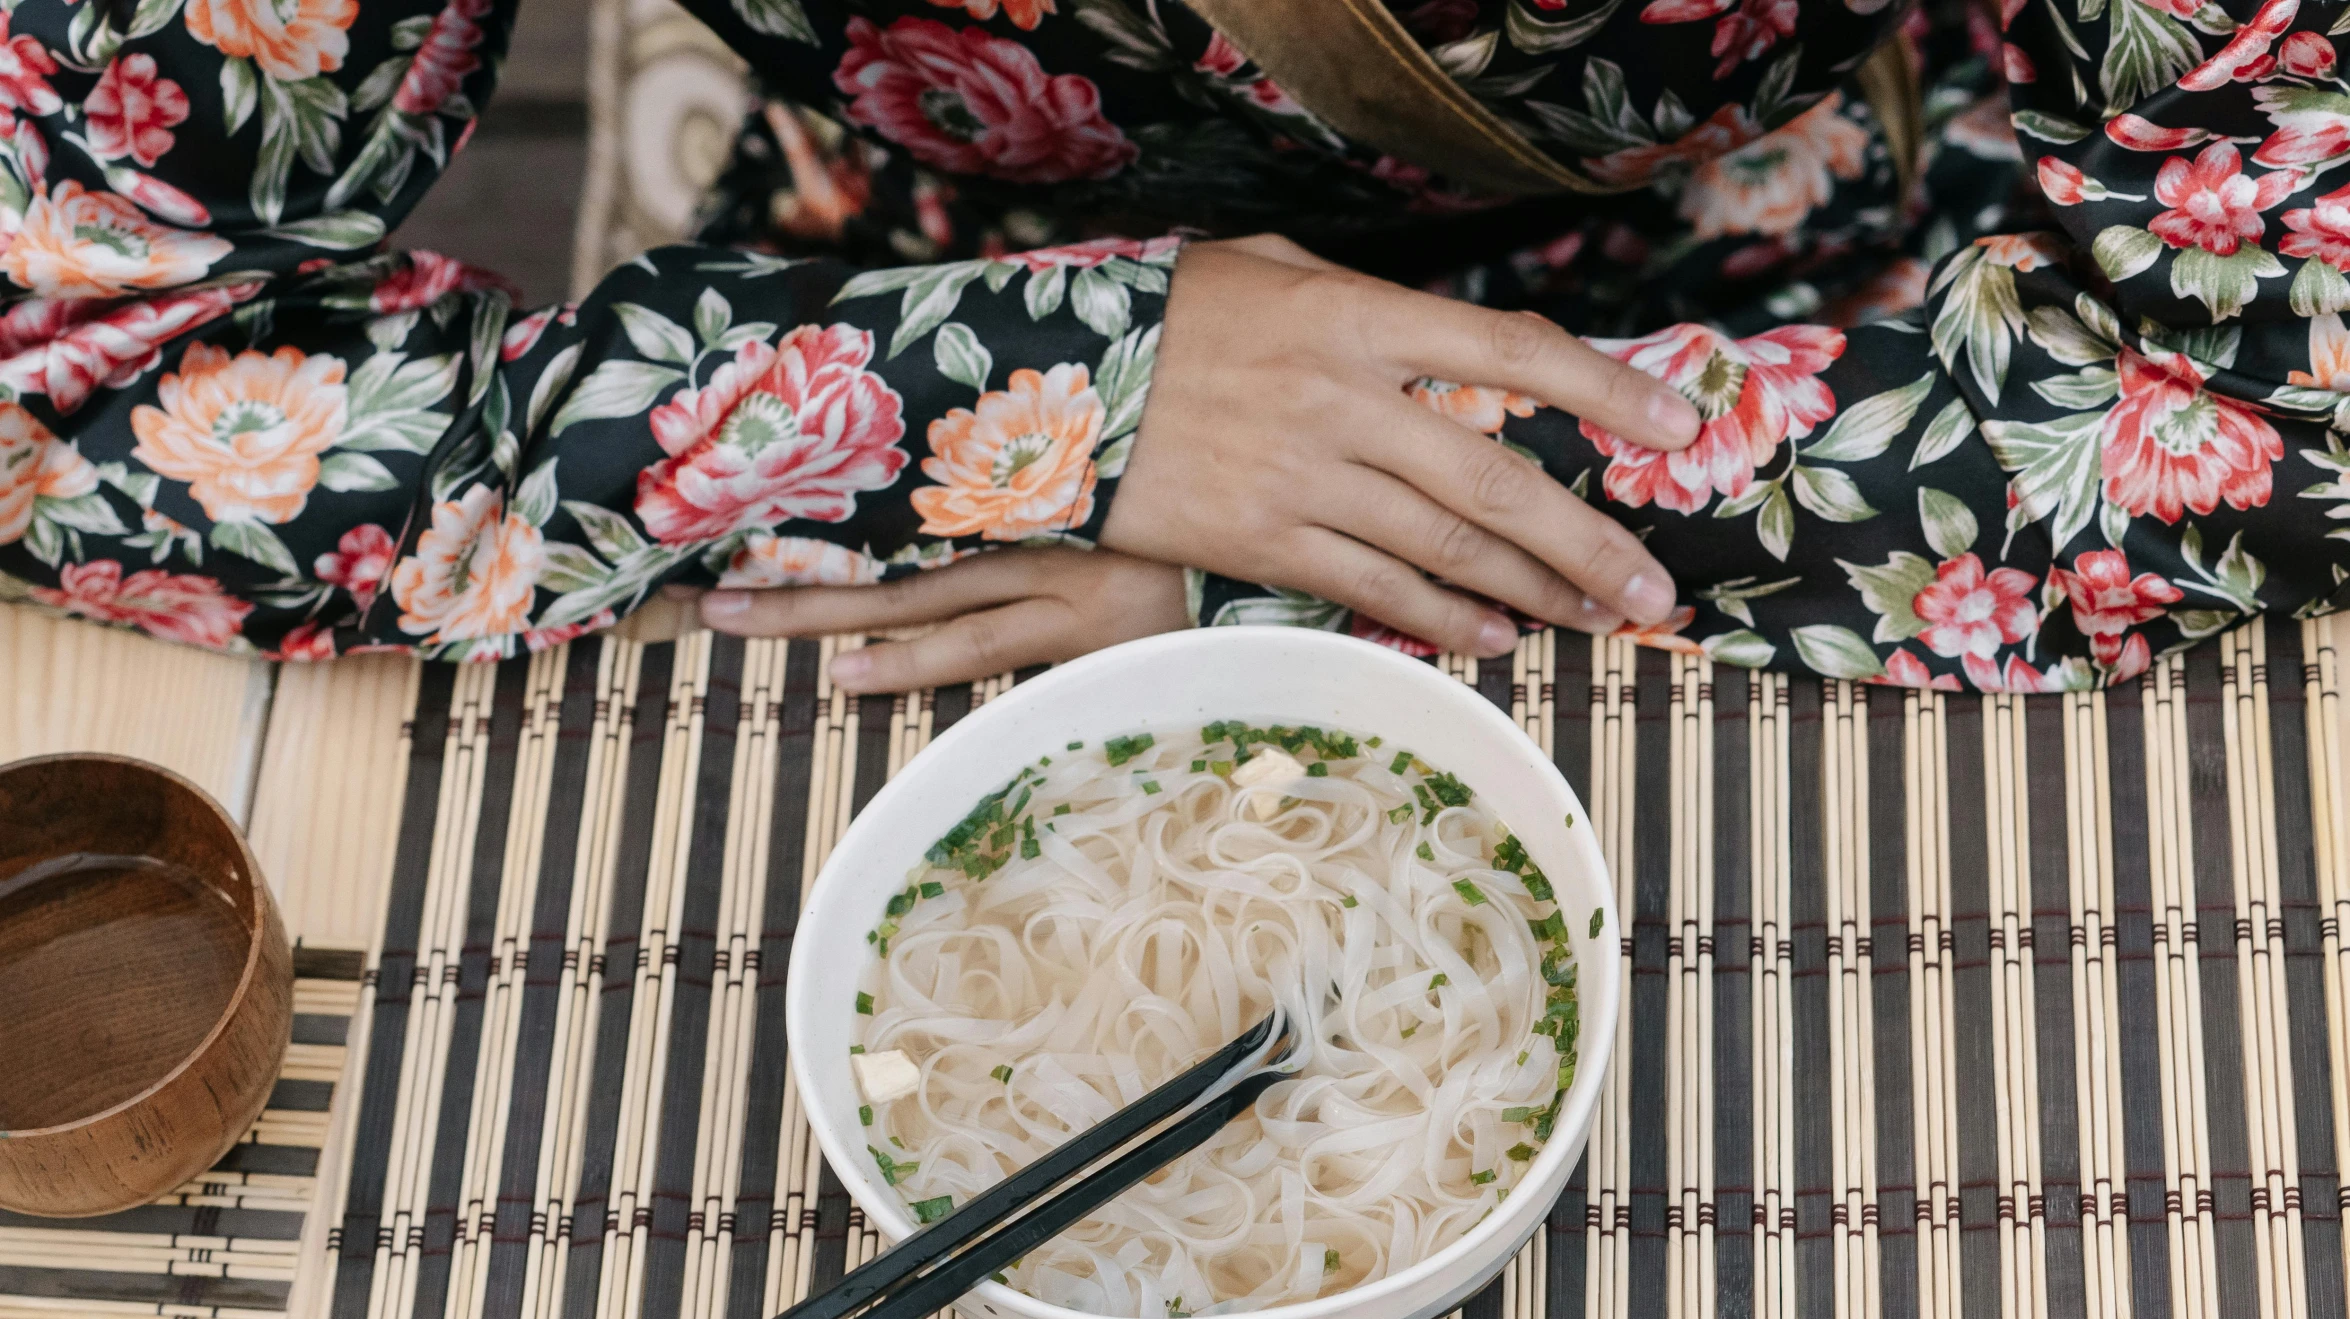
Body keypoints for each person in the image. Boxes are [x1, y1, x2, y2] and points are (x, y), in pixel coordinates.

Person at [0, 0, 2336, 694]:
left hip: (1831, 329)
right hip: (928, 327)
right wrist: (1061, 390)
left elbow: (2290, 353)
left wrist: (1340, 488)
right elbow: (66, 350)